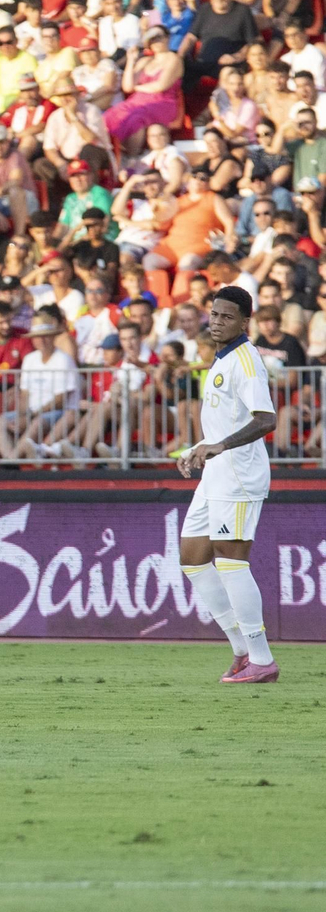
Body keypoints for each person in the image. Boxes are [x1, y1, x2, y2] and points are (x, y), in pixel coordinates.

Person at [177, 286, 279, 684]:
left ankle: (262, 659)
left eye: (227, 316)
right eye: (214, 314)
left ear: (245, 322)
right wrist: (199, 447)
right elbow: (225, 421)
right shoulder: (222, 358)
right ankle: (241, 649)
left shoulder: (246, 362)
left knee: (232, 563)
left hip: (239, 475)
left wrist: (220, 446)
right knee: (192, 558)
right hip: (215, 474)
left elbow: (266, 419)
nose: (217, 322)